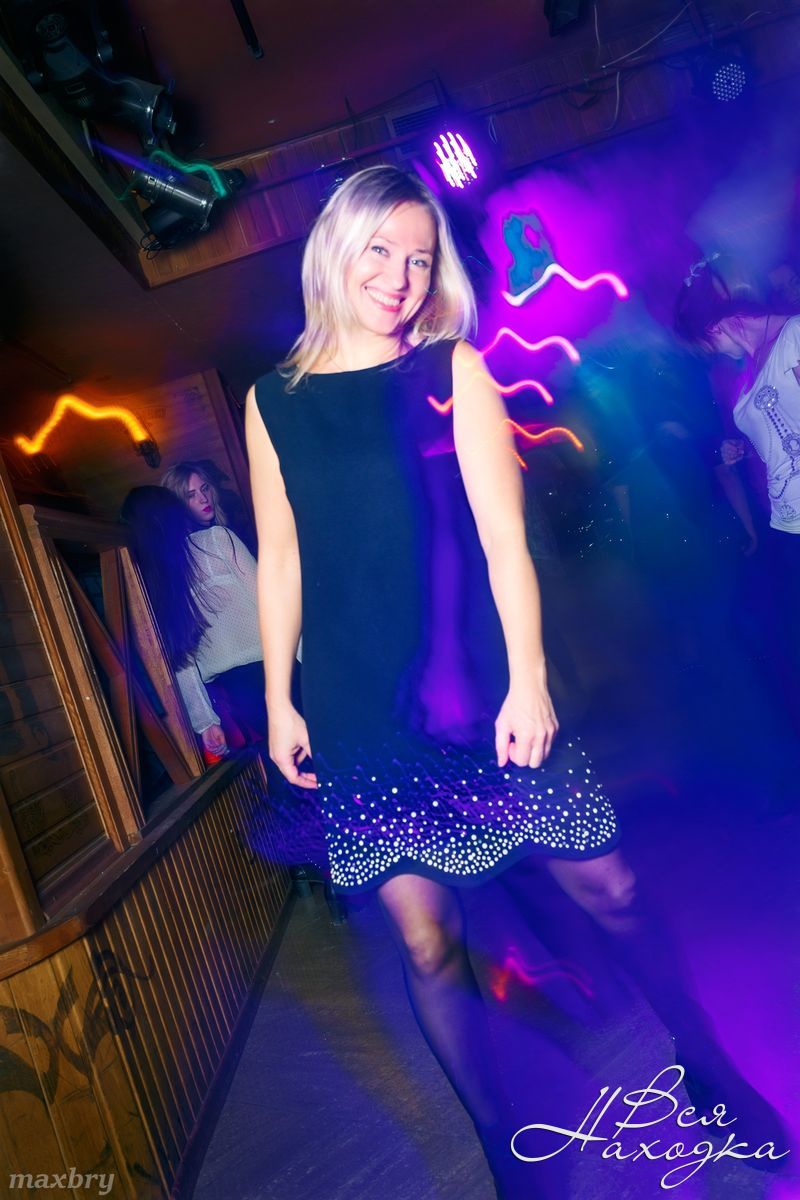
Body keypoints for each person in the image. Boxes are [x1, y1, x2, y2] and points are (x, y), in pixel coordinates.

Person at [246, 168, 786, 1196]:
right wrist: (278, 699)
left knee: (610, 888)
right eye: (380, 252)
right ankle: (505, 1153)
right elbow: (280, 559)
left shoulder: (451, 369)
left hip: (478, 686)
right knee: (426, 942)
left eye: (419, 260)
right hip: (361, 705)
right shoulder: (272, 402)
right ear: (334, 251)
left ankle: (703, 1060)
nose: (401, 277)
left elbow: (504, 545)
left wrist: (528, 679)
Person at [675, 256, 800, 728]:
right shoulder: (746, 372)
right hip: (785, 522)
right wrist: (742, 450)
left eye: (704, 346)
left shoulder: (793, 335)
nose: (709, 355)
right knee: (775, 634)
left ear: (717, 326)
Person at [121, 486, 265, 758]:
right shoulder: (214, 540)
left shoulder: (156, 581)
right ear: (175, 511)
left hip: (239, 690)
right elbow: (269, 600)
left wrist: (205, 722)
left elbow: (181, 659)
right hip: (271, 671)